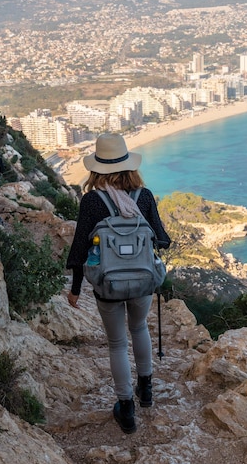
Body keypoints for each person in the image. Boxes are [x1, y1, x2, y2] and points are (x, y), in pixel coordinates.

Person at [66, 133, 171, 434]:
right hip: (143, 283)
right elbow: (162, 240)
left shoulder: (91, 201)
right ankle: (146, 390)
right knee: (139, 329)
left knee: (117, 343)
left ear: (97, 168)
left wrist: (75, 289)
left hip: (107, 285)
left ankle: (126, 409)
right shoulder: (145, 196)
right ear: (128, 165)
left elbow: (79, 251)